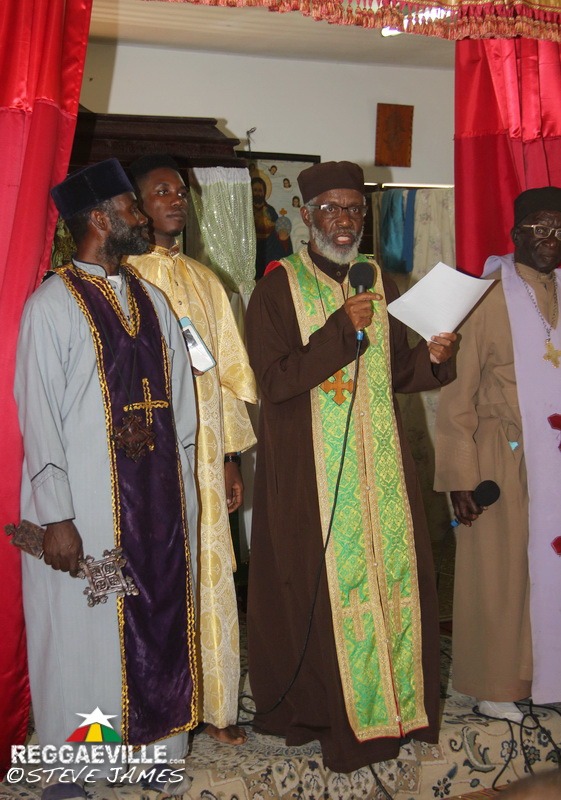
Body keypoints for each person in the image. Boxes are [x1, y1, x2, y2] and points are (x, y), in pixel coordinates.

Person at [245, 160, 457, 773]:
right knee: (320, 590)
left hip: (381, 470)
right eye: (331, 210)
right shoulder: (278, 287)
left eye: (353, 211)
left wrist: (435, 358)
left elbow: (396, 373)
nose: (343, 221)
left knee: (393, 585)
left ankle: (396, 710)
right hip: (312, 478)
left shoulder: (377, 280)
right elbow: (275, 380)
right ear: (307, 217)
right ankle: (324, 713)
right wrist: (341, 329)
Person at [14, 159, 199, 799]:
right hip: (86, 510)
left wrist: (189, 489)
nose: (143, 216)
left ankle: (150, 753)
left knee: (159, 622)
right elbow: (37, 414)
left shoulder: (151, 299)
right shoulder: (53, 303)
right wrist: (55, 515)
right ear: (98, 219)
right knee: (81, 637)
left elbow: (181, 404)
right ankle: (73, 768)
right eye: (131, 207)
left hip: (157, 507)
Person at [127, 154, 257, 746]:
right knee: (155, 578)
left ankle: (215, 706)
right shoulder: (124, 277)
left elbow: (228, 376)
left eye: (180, 192)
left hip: (205, 457)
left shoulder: (208, 282)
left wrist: (230, 458)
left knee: (210, 574)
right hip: (143, 461)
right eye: (161, 192)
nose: (176, 201)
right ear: (136, 203)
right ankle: (154, 712)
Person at [434, 186, 561, 723]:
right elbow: (457, 396)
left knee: (547, 572)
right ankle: (493, 684)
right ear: (515, 234)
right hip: (500, 455)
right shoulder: (487, 295)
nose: (548, 239)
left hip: (552, 454)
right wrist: (459, 476)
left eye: (558, 228)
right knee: (500, 572)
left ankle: (545, 673)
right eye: (537, 227)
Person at [251, 175, 293, 279]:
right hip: (252, 249)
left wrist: (283, 237)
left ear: (264, 192)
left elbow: (278, 230)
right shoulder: (247, 211)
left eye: (260, 190)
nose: (257, 193)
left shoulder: (270, 210)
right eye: (255, 190)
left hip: (268, 249)